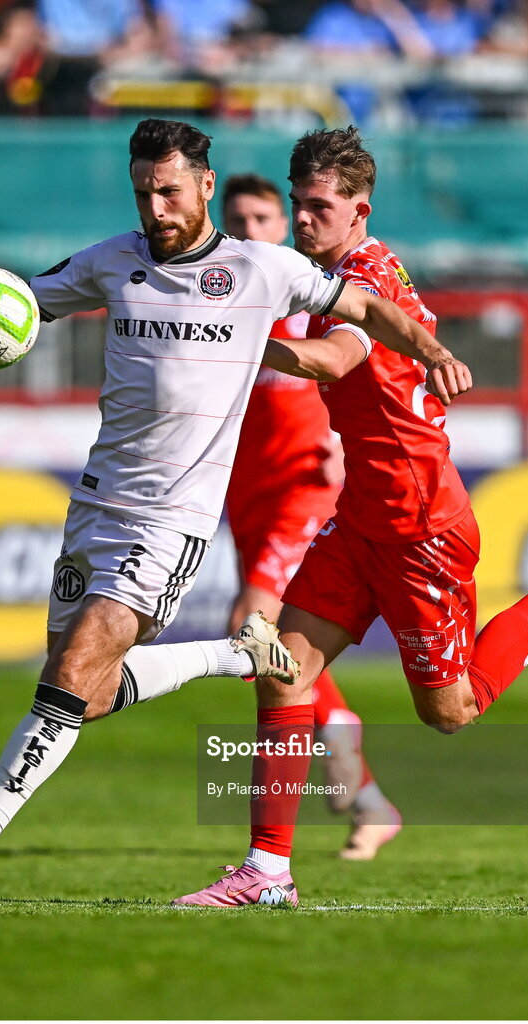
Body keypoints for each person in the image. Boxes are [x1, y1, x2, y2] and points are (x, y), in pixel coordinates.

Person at [0, 117, 473, 905]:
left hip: (173, 523)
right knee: (82, 694)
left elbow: (367, 312)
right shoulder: (111, 262)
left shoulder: (260, 270)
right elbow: (7, 305)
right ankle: (235, 655)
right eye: (143, 193)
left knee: (69, 674)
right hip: (97, 504)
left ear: (204, 187)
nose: (155, 208)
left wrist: (433, 351)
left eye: (169, 190)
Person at [157, 126, 528, 907]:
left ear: (358, 211)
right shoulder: (335, 272)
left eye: (318, 207)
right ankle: (266, 872)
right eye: (296, 205)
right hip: (363, 514)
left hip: (422, 527)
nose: (302, 220)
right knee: (282, 668)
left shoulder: (364, 281)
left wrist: (225, 337)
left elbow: (333, 359)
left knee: (449, 711)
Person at [221, 172, 401, 860]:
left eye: (262, 217)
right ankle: (364, 796)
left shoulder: (304, 288)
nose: (248, 231)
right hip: (244, 493)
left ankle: (342, 760)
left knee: (252, 621)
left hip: (303, 486)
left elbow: (346, 364)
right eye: (235, 219)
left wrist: (336, 443)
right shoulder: (218, 297)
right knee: (273, 638)